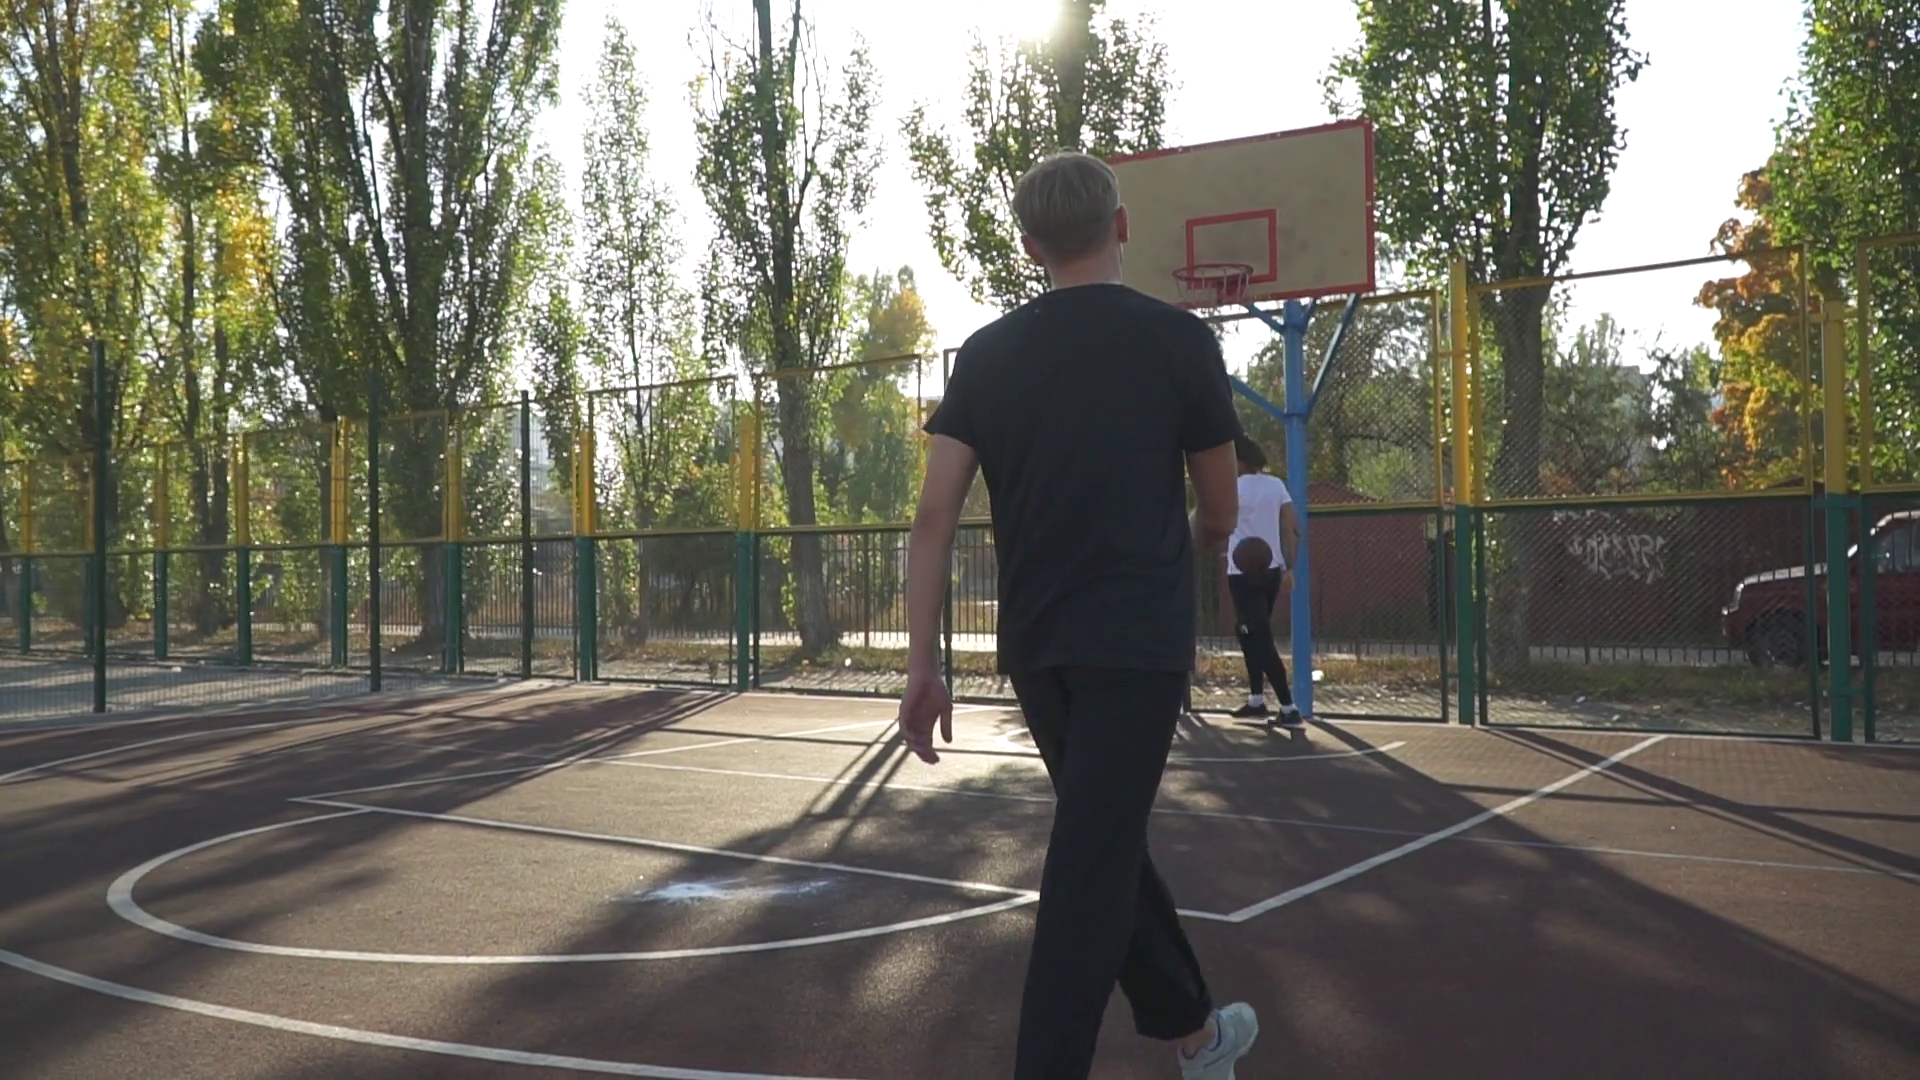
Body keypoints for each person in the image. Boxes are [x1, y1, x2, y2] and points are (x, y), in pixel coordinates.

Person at [895, 151, 1259, 1080]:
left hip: (1039, 647)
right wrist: (1195, 544)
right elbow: (1222, 510)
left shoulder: (987, 354)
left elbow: (933, 517)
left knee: (1104, 843)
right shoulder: (1180, 342)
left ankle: (1198, 1033)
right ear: (1123, 226)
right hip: (1137, 643)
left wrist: (922, 664)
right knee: (1091, 861)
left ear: (1029, 247)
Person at [1224, 435, 1304, 729]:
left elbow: (1216, 522)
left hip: (1242, 573)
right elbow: (1292, 529)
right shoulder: (1276, 485)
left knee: (1259, 638)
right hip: (1270, 571)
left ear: (1241, 460)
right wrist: (1289, 569)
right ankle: (1256, 700)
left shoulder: (1232, 488)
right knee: (1247, 632)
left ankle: (1288, 707)